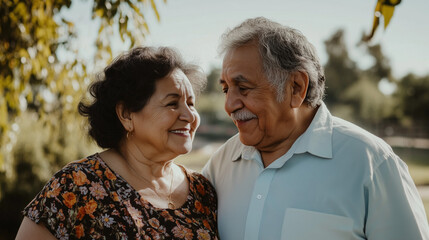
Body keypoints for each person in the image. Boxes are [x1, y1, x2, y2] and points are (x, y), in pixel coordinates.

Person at [202, 17, 429, 240]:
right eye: (226, 89)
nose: (229, 105)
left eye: (243, 88)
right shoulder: (218, 166)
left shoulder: (372, 164)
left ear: (296, 88)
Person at [16, 46, 218, 239]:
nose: (190, 116)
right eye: (172, 104)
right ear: (126, 115)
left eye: (191, 104)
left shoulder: (203, 191)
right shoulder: (76, 186)